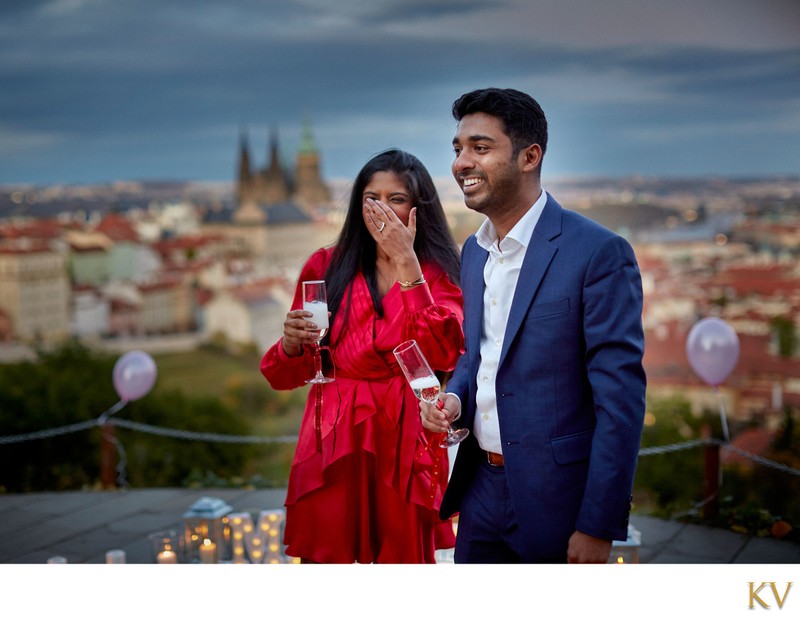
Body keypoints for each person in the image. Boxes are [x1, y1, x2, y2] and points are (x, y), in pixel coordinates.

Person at [420, 87, 646, 563]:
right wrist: (455, 398)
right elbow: (476, 354)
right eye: (458, 149)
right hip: (479, 488)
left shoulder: (598, 253)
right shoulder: (474, 251)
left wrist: (597, 523)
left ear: (529, 156)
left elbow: (620, 400)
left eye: (480, 148)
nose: (462, 162)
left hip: (558, 500)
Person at [260, 149, 464, 563]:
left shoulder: (440, 271)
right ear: (358, 204)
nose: (382, 210)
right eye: (372, 198)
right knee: (331, 557)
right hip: (334, 432)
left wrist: (407, 264)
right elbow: (284, 376)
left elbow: (445, 351)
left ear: (417, 208)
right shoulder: (325, 265)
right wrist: (291, 345)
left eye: (397, 199)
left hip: (405, 433)